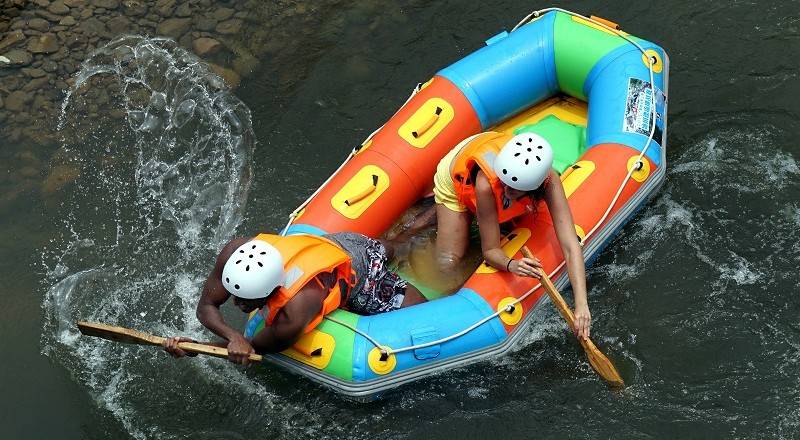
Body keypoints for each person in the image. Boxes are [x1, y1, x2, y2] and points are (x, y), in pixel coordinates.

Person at [163, 232, 427, 364]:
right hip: (334, 244)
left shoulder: (298, 307)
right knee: (392, 245)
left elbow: (256, 347)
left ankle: (421, 235)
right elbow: (206, 306)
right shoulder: (237, 252)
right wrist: (231, 337)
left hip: (361, 272)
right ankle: (412, 233)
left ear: (273, 291)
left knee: (421, 309)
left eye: (246, 302)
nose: (236, 304)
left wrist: (199, 348)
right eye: (235, 295)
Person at [432, 131, 591, 339]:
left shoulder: (549, 180)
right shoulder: (486, 183)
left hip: (492, 163)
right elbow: (490, 250)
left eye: (514, 190)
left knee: (502, 211)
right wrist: (511, 265)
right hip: (458, 173)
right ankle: (432, 215)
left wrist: (582, 305)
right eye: (505, 185)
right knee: (448, 262)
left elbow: (570, 245)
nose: (506, 192)